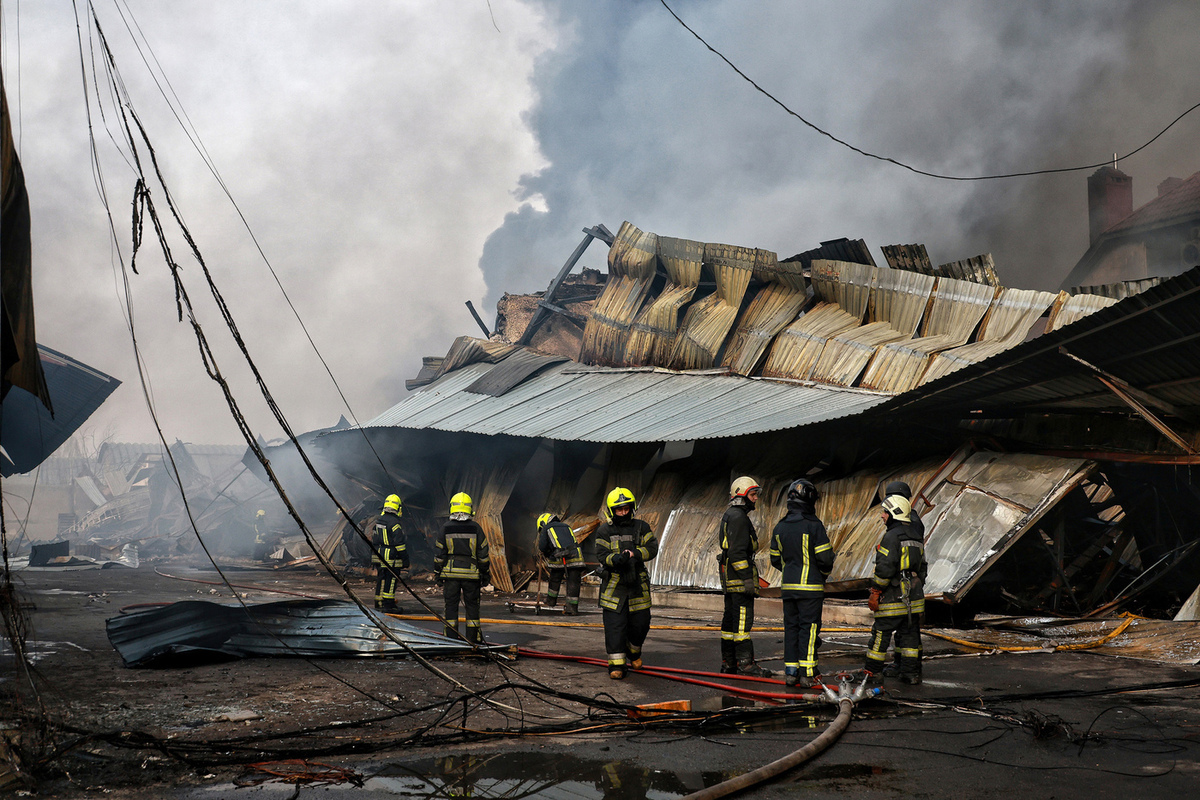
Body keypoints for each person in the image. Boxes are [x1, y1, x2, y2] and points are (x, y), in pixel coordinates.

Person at [770, 478, 835, 687]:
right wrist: (821, 574)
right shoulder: (814, 525)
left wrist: (791, 570)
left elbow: (775, 559)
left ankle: (791, 673)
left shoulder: (780, 527)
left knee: (791, 629)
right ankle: (807, 674)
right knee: (809, 629)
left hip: (788, 588)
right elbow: (825, 559)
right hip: (810, 589)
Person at [864, 493, 928, 685]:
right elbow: (923, 567)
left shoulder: (891, 536)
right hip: (913, 598)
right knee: (909, 636)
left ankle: (872, 673)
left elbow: (884, 568)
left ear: (894, 513)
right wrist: (915, 585)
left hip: (893, 596)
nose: (882, 515)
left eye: (885, 512)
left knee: (880, 633)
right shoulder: (916, 536)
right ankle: (911, 674)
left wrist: (876, 591)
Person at [595, 487, 658, 680]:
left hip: (638, 584)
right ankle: (617, 666)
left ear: (632, 507)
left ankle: (633, 652)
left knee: (641, 624)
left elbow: (652, 548)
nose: (623, 512)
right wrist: (614, 559)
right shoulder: (604, 530)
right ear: (611, 511)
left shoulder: (642, 527)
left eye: (626, 508)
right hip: (615, 586)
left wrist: (635, 554)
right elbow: (601, 554)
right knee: (615, 627)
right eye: (619, 509)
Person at [717, 476, 771, 676]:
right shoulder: (739, 518)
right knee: (741, 623)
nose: (756, 498)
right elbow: (737, 552)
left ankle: (729, 663)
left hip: (731, 580)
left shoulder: (731, 515)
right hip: (739, 581)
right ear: (741, 495)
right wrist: (747, 578)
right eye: (753, 494)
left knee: (730, 623)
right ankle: (746, 665)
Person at [434, 492, 490, 644]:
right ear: (470, 509)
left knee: (450, 607)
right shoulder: (476, 528)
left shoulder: (445, 528)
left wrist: (437, 573)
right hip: (471, 576)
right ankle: (473, 640)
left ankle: (450, 640)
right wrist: (485, 574)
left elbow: (439, 554)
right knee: (472, 607)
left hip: (450, 575)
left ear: (452, 508)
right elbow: (483, 554)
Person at [537, 512, 585, 615]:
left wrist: (548, 554)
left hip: (560, 557)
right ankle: (572, 608)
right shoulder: (566, 526)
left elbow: (542, 546)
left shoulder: (547, 528)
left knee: (555, 578)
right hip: (576, 556)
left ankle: (551, 601)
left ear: (543, 523)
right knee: (573, 582)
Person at [372, 494, 408, 611]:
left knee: (381, 579)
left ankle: (379, 603)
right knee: (391, 580)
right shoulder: (395, 523)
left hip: (380, 555)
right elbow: (400, 544)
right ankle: (389, 605)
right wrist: (405, 558)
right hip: (391, 557)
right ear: (398, 508)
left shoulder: (379, 521)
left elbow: (374, 539)